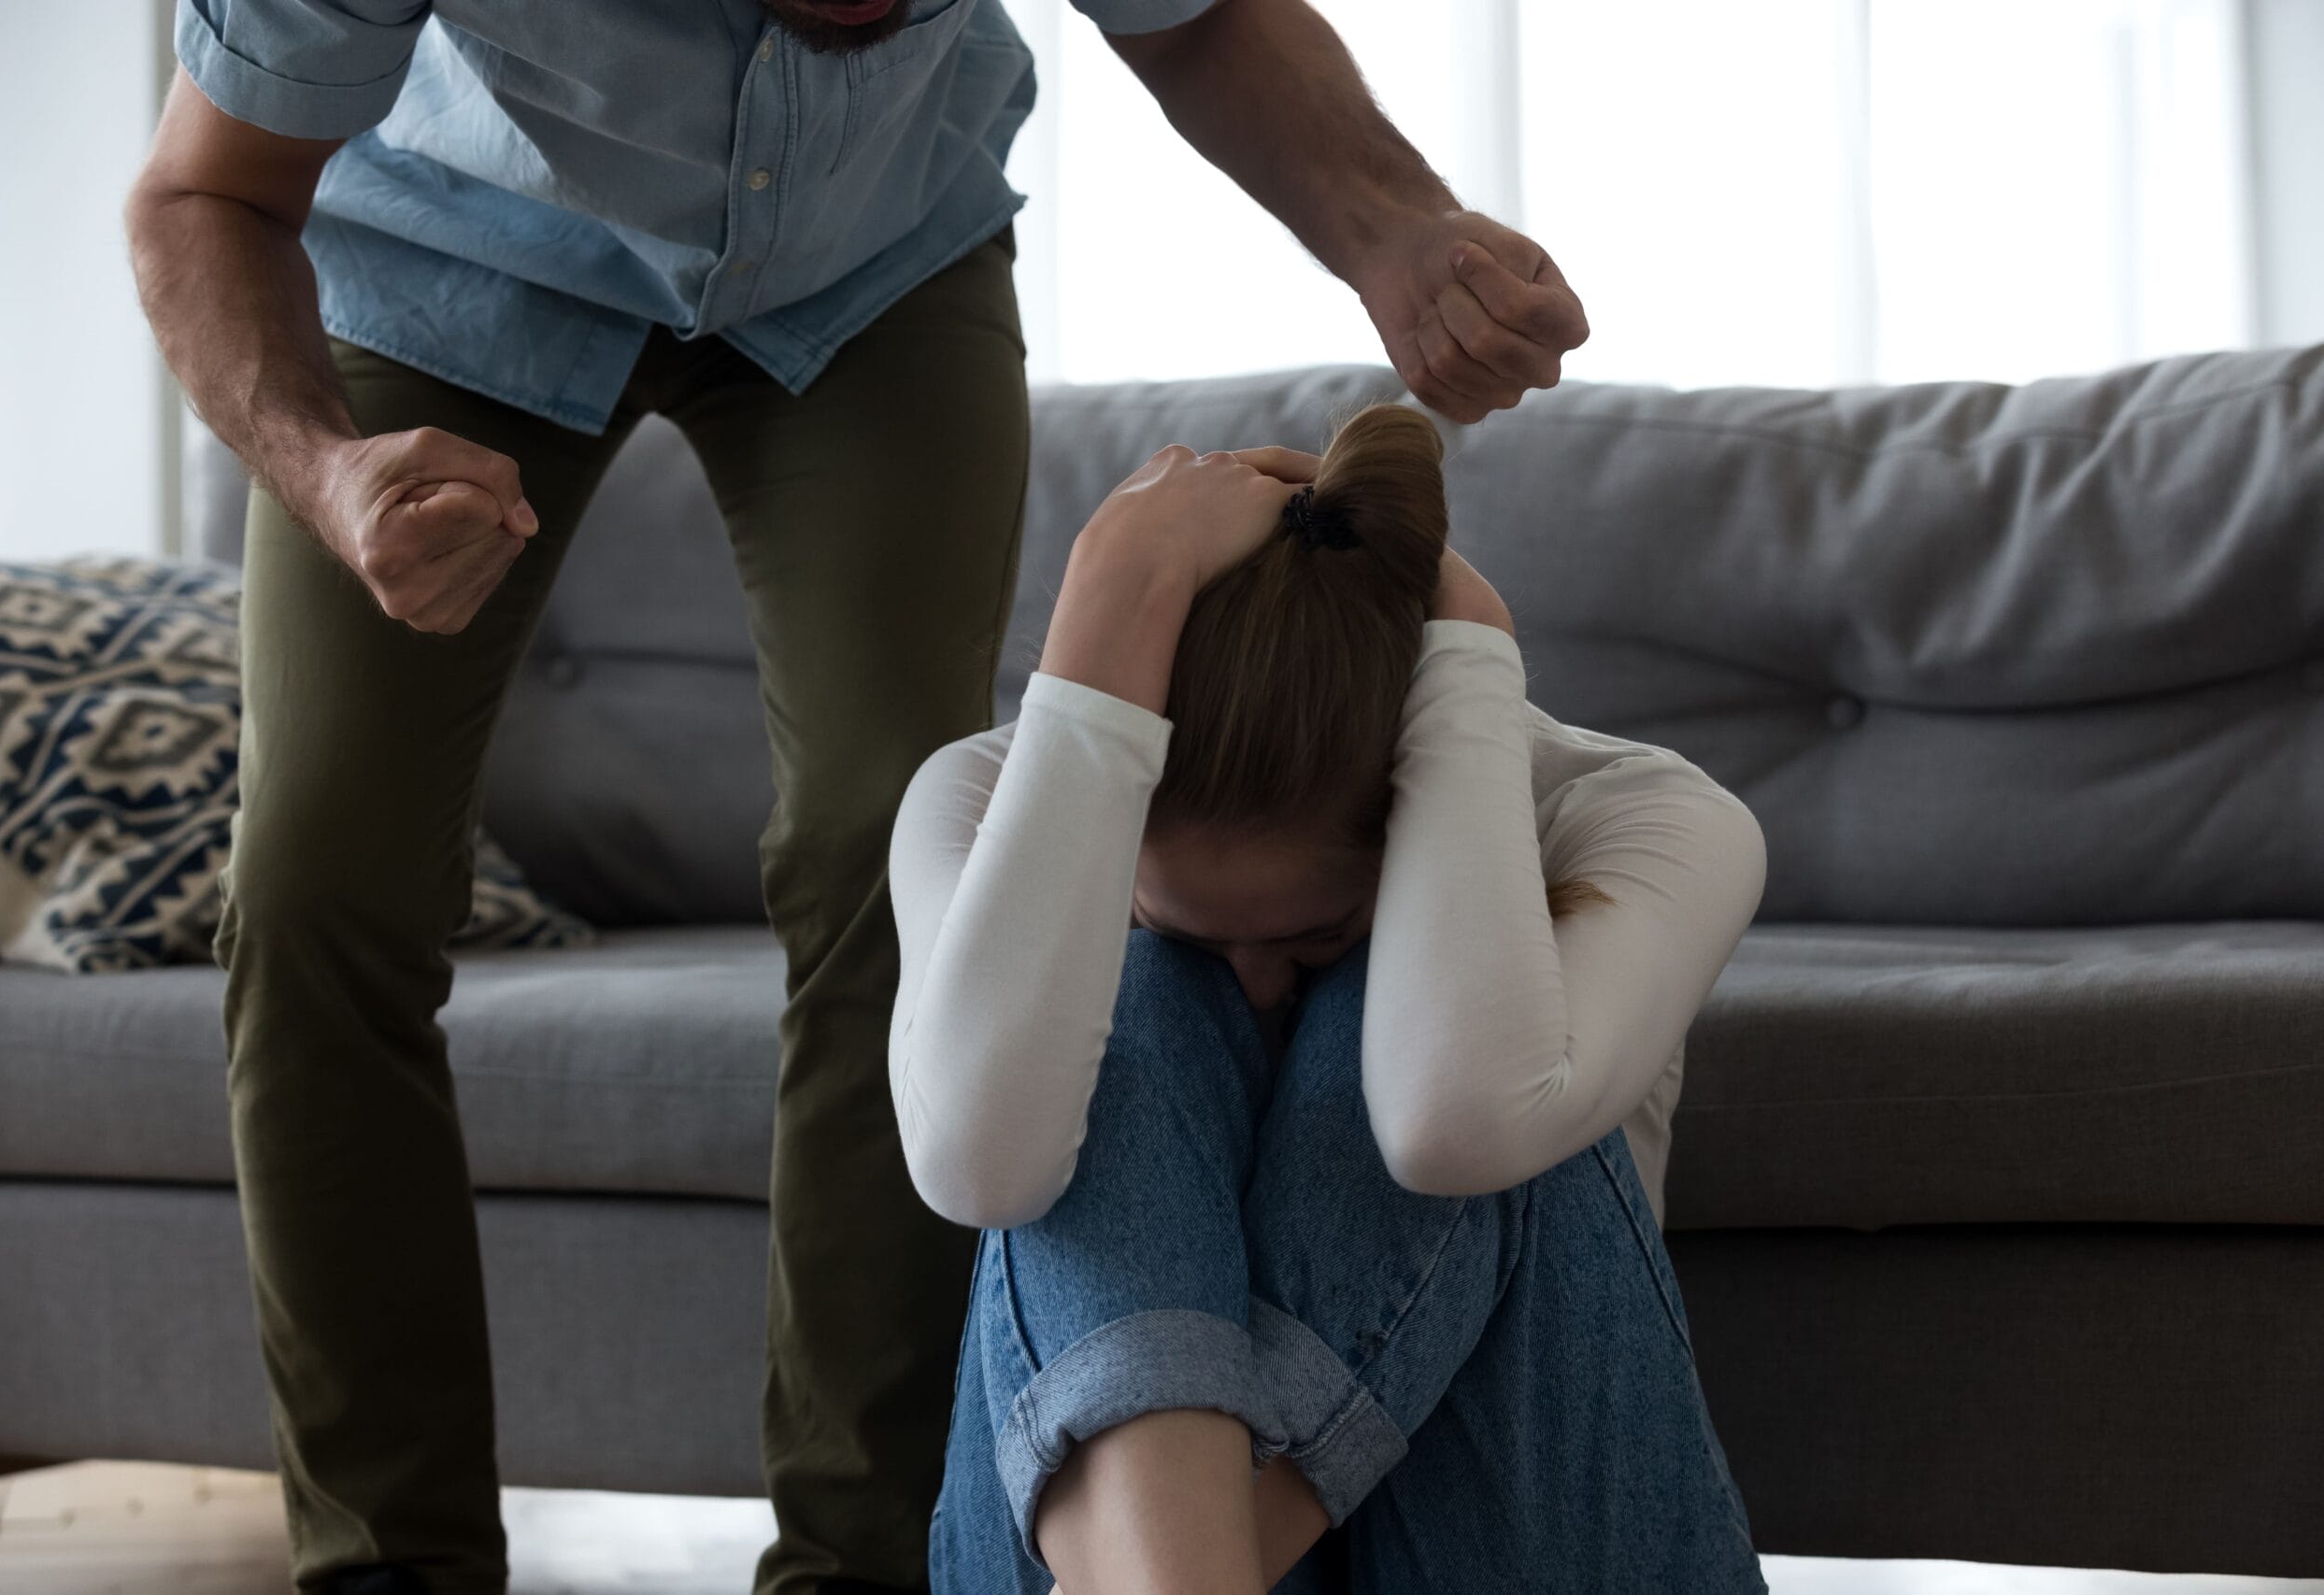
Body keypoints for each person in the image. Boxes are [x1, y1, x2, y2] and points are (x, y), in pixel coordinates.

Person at [121, 3, 1591, 1591]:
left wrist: (1400, 230)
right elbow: (202, 194)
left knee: (894, 854)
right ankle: (388, 1566)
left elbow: (1205, 19)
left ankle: (865, 1568)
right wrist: (330, 472)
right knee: (314, 889)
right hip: (441, 284)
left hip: (872, 273)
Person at [886, 406, 1772, 1591]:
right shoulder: (991, 796)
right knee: (1130, 1000)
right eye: (1198, 925)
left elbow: (1453, 1115)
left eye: (1303, 938)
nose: (1258, 981)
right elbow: (982, 1160)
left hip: (1516, 1535)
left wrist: (1465, 640)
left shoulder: (1650, 818)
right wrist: (1109, 604)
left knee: (1416, 1018)